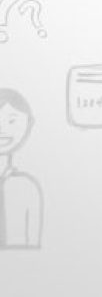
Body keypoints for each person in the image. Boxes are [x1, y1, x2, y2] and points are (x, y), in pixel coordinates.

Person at [0, 88, 43, 250]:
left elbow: (31, 248)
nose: (1, 129)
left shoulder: (26, 187)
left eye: (12, 121)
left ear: (28, 124)